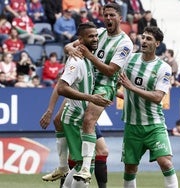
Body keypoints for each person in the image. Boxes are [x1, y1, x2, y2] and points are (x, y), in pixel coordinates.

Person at [64, 2, 133, 183]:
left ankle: (86, 168)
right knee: (59, 120)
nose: (108, 18)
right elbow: (70, 45)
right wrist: (70, 48)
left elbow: (111, 71)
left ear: (120, 18)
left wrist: (89, 56)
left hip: (104, 86)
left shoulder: (125, 43)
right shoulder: (99, 32)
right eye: (106, 15)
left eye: (112, 15)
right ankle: (64, 168)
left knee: (88, 121)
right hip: (87, 82)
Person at [44, 22, 112, 188]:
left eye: (96, 36)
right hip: (74, 120)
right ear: (80, 40)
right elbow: (61, 87)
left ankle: (63, 171)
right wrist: (91, 98)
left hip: (79, 118)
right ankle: (63, 168)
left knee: (84, 165)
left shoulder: (88, 59)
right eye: (91, 36)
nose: (95, 39)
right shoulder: (77, 61)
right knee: (83, 166)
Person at [118, 26, 178, 188]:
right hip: (132, 125)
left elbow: (158, 97)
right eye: (143, 37)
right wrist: (113, 93)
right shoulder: (129, 60)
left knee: (165, 162)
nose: (144, 41)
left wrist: (131, 88)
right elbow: (115, 83)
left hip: (154, 125)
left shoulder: (163, 68)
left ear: (157, 44)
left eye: (149, 39)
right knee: (130, 168)